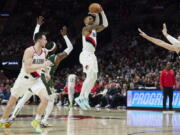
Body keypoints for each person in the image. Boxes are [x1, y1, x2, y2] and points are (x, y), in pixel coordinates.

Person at [9, 24, 73, 128]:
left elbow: (36, 39)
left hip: (35, 77)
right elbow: (70, 48)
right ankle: (43, 120)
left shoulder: (41, 52)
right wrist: (65, 36)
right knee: (51, 100)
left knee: (25, 97)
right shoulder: (56, 57)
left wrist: (38, 26)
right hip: (45, 79)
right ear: (55, 48)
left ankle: (12, 117)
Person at [0, 16, 51, 133]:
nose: (46, 41)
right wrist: (43, 66)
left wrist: (47, 73)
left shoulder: (45, 52)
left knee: (46, 98)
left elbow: (44, 64)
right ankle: (3, 121)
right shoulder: (29, 51)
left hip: (36, 80)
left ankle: (36, 121)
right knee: (10, 104)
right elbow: (28, 68)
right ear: (39, 40)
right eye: (45, 39)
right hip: (23, 79)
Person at [75, 4, 108, 110]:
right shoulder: (85, 28)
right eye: (89, 18)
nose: (91, 19)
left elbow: (106, 25)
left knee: (94, 78)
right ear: (85, 21)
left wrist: (101, 12)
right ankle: (80, 97)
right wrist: (95, 14)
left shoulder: (93, 29)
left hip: (92, 55)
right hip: (85, 54)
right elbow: (95, 24)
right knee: (89, 76)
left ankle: (85, 97)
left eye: (91, 18)